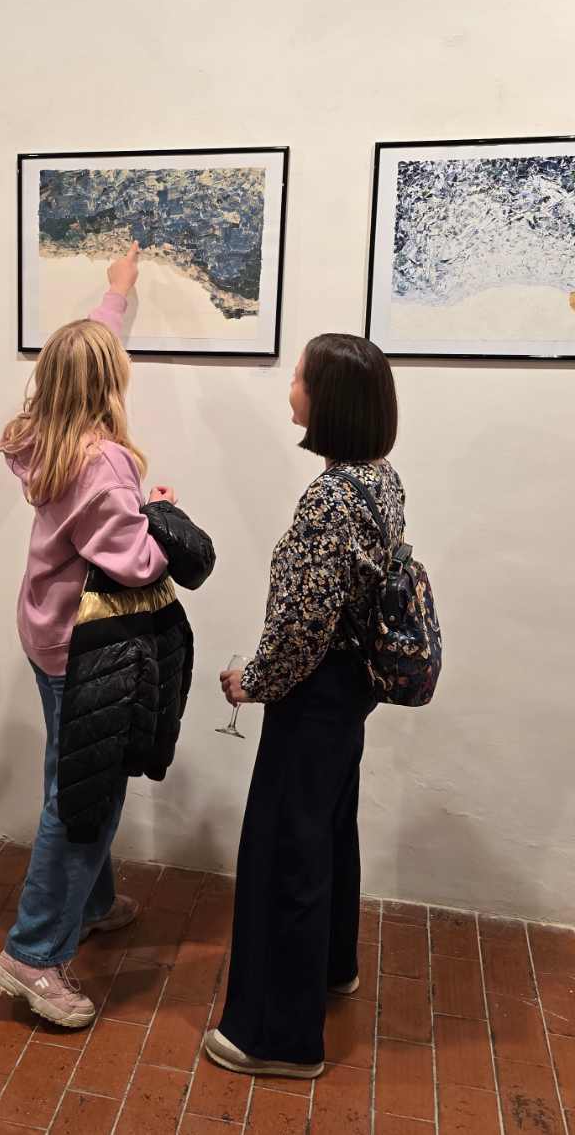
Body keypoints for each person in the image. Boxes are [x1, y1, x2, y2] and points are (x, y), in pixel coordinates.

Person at [204, 333, 402, 1077]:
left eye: (299, 378)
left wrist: (253, 681)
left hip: (313, 694)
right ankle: (330, 967)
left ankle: (277, 1037)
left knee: (285, 851)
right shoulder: (380, 480)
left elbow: (303, 624)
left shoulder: (330, 498)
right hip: (350, 691)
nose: (290, 388)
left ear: (330, 402)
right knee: (327, 833)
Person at [0, 244, 176, 1028]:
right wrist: (164, 516)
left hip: (48, 631)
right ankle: (33, 954)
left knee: (72, 771)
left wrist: (116, 293)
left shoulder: (44, 433)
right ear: (107, 386)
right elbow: (136, 562)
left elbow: (88, 350)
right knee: (83, 795)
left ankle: (89, 903)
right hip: (87, 646)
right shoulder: (102, 465)